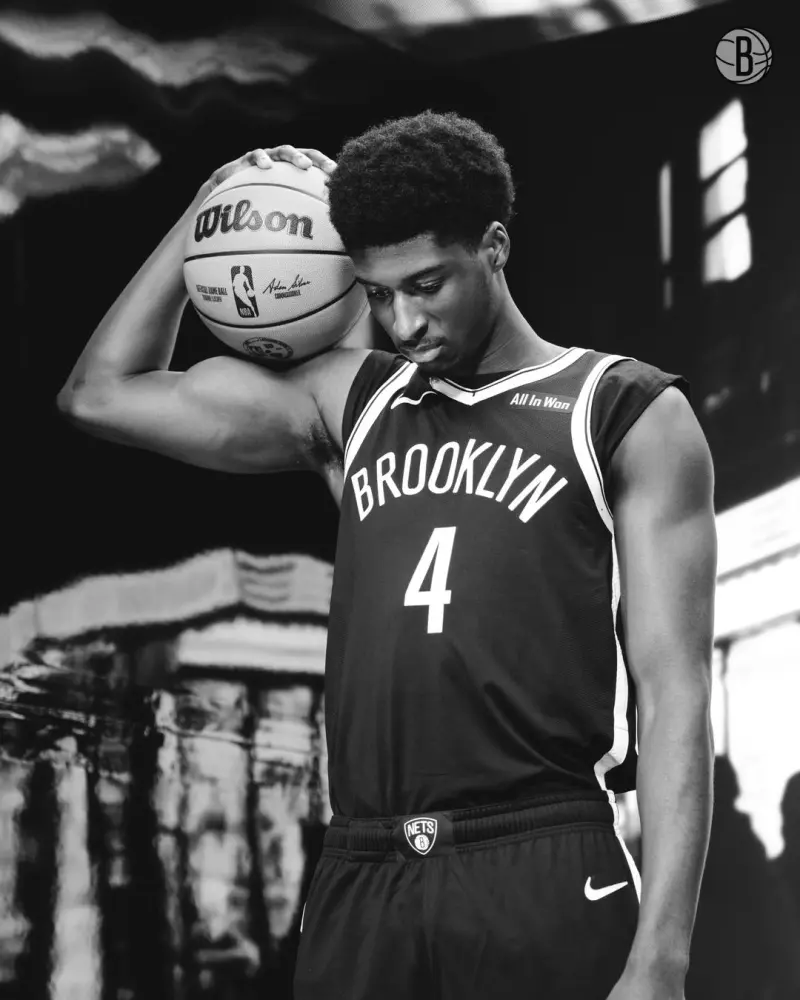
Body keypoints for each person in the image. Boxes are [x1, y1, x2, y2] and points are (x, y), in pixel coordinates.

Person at [57, 111, 717, 1000]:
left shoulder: (622, 411)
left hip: (540, 851)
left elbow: (676, 693)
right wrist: (207, 213)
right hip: (364, 866)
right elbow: (100, 394)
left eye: (426, 284)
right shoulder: (353, 403)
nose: (403, 321)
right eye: (375, 294)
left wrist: (663, 958)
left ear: (495, 246)